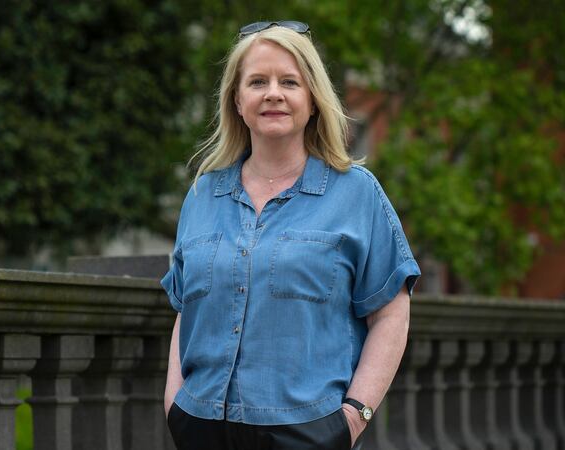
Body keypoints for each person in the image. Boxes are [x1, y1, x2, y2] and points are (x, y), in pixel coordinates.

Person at [160, 21, 421, 450]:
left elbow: (391, 314)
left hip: (308, 433)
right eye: (258, 81)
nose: (273, 93)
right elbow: (186, 308)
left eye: (290, 82)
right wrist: (175, 403)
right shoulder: (203, 194)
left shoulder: (356, 192)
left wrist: (355, 417)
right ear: (238, 102)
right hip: (200, 427)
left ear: (313, 100)